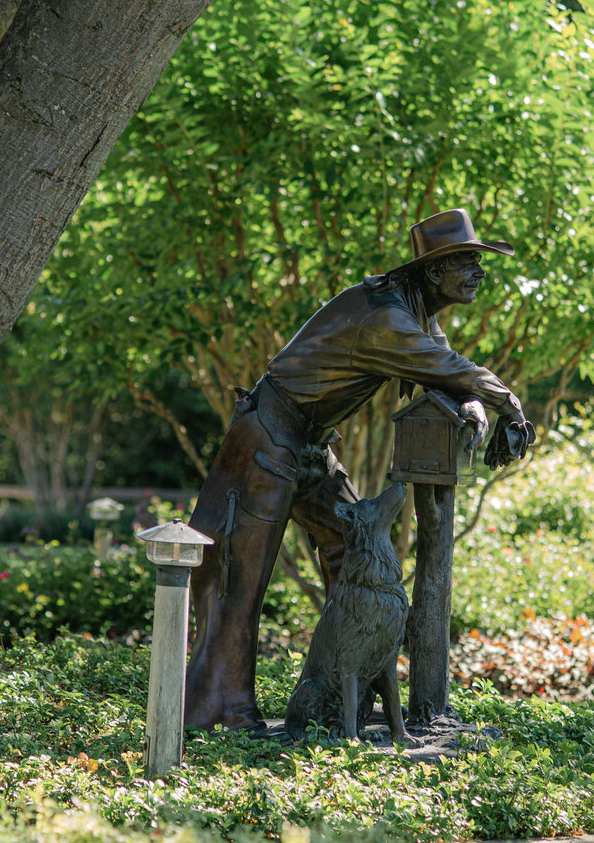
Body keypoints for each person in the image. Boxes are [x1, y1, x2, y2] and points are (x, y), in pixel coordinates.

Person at [184, 208, 530, 732]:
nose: (480, 272)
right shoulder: (384, 314)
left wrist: (478, 408)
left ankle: (340, 698)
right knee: (239, 581)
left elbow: (450, 373)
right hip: (266, 442)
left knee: (361, 552)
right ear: (433, 272)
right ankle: (222, 713)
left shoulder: (417, 315)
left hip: (309, 448)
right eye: (467, 261)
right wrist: (510, 404)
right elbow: (449, 371)